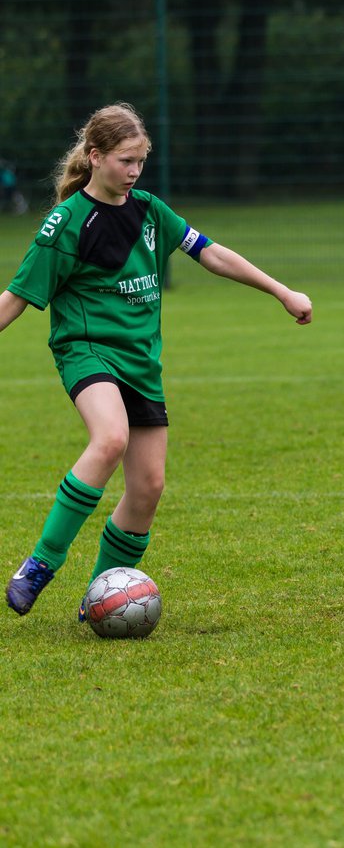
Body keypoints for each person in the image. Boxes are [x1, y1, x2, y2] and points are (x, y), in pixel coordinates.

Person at [2, 102, 312, 620]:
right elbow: (15, 297)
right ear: (95, 157)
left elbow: (210, 251)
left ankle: (99, 600)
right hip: (88, 350)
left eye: (141, 161)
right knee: (110, 438)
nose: (134, 172)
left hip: (141, 360)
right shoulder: (67, 223)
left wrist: (280, 291)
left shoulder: (148, 210)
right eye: (126, 161)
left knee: (147, 487)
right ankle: (39, 565)